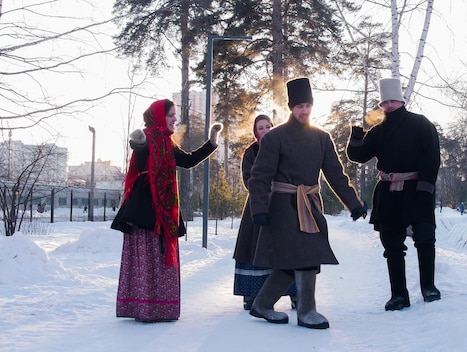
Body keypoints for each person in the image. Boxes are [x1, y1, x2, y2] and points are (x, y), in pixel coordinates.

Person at [247, 77, 367, 329]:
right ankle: (306, 311)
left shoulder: (321, 138)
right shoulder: (275, 137)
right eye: (299, 106)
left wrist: (353, 203)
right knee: (303, 257)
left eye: (308, 105)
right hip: (283, 206)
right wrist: (259, 209)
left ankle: (262, 304)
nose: (304, 110)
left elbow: (335, 173)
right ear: (292, 107)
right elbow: (260, 176)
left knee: (296, 259)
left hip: (309, 206)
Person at [111, 99, 222, 322]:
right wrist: (137, 140)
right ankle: (144, 308)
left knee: (161, 257)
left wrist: (211, 141)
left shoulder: (167, 143)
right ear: (160, 117)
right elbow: (140, 148)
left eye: (175, 115)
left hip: (166, 208)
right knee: (148, 256)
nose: (174, 119)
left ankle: (162, 308)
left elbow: (189, 161)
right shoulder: (150, 138)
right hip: (145, 208)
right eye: (171, 115)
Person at [347, 77, 441, 311]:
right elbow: (358, 157)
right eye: (385, 102)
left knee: (425, 237)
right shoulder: (379, 131)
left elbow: (431, 157)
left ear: (401, 100)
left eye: (392, 101)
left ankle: (429, 287)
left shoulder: (421, 124)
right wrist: (356, 138)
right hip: (388, 191)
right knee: (392, 244)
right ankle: (399, 294)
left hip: (416, 188)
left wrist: (425, 188)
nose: (389, 105)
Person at [232, 114, 297, 311]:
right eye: (261, 128)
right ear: (255, 132)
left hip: (282, 204)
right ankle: (251, 294)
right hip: (258, 205)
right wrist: (264, 191)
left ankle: (295, 292)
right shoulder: (250, 153)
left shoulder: (284, 148)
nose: (265, 131)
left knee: (288, 249)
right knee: (254, 247)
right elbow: (248, 179)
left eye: (268, 126)